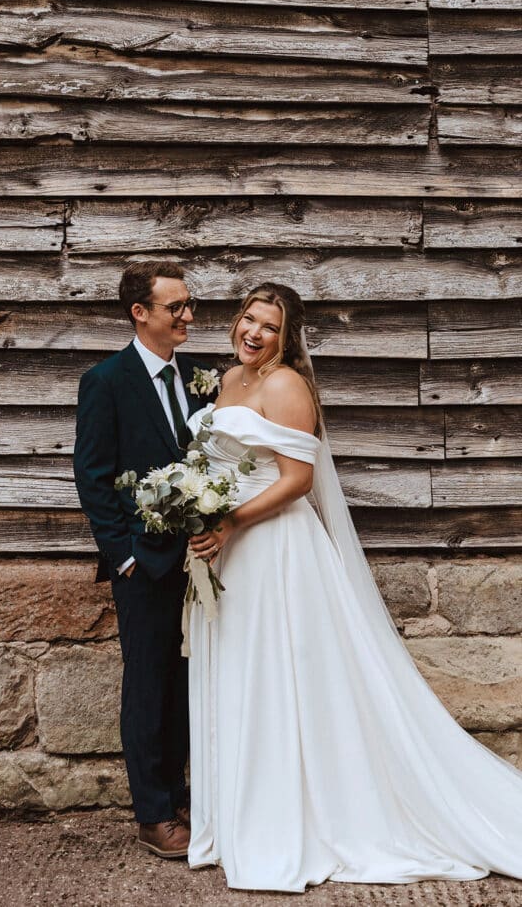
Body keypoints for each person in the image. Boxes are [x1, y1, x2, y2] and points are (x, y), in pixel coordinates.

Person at [185, 282, 522, 892]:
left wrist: (230, 520)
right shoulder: (229, 377)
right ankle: (241, 816)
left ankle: (290, 819)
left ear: (287, 338)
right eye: (248, 318)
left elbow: (297, 478)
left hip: (273, 547)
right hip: (228, 550)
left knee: (280, 673)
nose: (253, 332)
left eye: (269, 326)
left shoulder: (286, 386)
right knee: (242, 669)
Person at [73, 260, 214, 859]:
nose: (188, 316)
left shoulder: (201, 378)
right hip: (144, 564)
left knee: (190, 682)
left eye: (189, 304)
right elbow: (92, 475)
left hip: (201, 562)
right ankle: (153, 814)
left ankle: (185, 797)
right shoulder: (106, 381)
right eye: (175, 306)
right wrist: (124, 556)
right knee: (149, 685)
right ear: (140, 313)